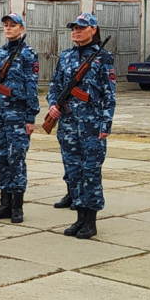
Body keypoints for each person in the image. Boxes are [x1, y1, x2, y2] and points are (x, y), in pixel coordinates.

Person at [47, 13, 115, 240]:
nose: (76, 31)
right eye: (73, 28)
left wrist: (106, 124)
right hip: (67, 124)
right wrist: (53, 105)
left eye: (81, 28)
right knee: (74, 172)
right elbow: (55, 85)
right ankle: (79, 217)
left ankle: (90, 221)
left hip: (92, 125)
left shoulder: (103, 57)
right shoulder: (65, 56)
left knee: (91, 172)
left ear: (93, 30)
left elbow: (109, 95)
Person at [0, 13, 39, 223]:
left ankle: (17, 207)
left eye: (13, 25)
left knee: (16, 159)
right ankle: (4, 204)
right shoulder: (0, 52)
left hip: (18, 116)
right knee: (1, 158)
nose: (8, 28)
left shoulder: (28, 54)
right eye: (6, 25)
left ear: (21, 29)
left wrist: (31, 117)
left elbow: (32, 86)